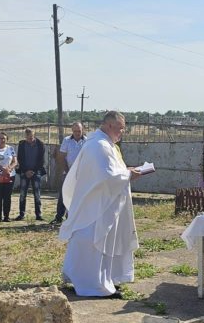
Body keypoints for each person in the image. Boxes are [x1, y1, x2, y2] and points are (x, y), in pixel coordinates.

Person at [59, 111, 143, 297]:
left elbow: (111, 170)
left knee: (98, 243)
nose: (122, 133)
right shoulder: (99, 145)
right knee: (92, 242)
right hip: (96, 206)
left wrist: (126, 171)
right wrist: (130, 175)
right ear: (110, 125)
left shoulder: (104, 143)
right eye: (120, 128)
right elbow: (108, 175)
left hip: (101, 202)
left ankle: (107, 279)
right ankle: (94, 285)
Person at [53, 122, 87, 224]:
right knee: (64, 194)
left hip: (83, 174)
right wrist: (68, 172)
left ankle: (78, 217)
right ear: (72, 130)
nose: (77, 133)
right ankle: (59, 217)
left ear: (82, 130)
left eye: (79, 131)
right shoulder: (67, 140)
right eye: (75, 131)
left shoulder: (87, 141)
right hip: (68, 172)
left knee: (81, 196)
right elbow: (62, 157)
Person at [15, 128, 46, 221]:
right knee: (22, 193)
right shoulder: (21, 144)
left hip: (36, 172)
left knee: (37, 194)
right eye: (28, 137)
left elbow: (41, 160)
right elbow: (19, 159)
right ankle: (21, 214)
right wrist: (25, 171)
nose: (30, 139)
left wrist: (33, 171)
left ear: (34, 135)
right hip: (24, 172)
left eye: (32, 137)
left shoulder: (40, 144)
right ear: (25, 136)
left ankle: (38, 214)